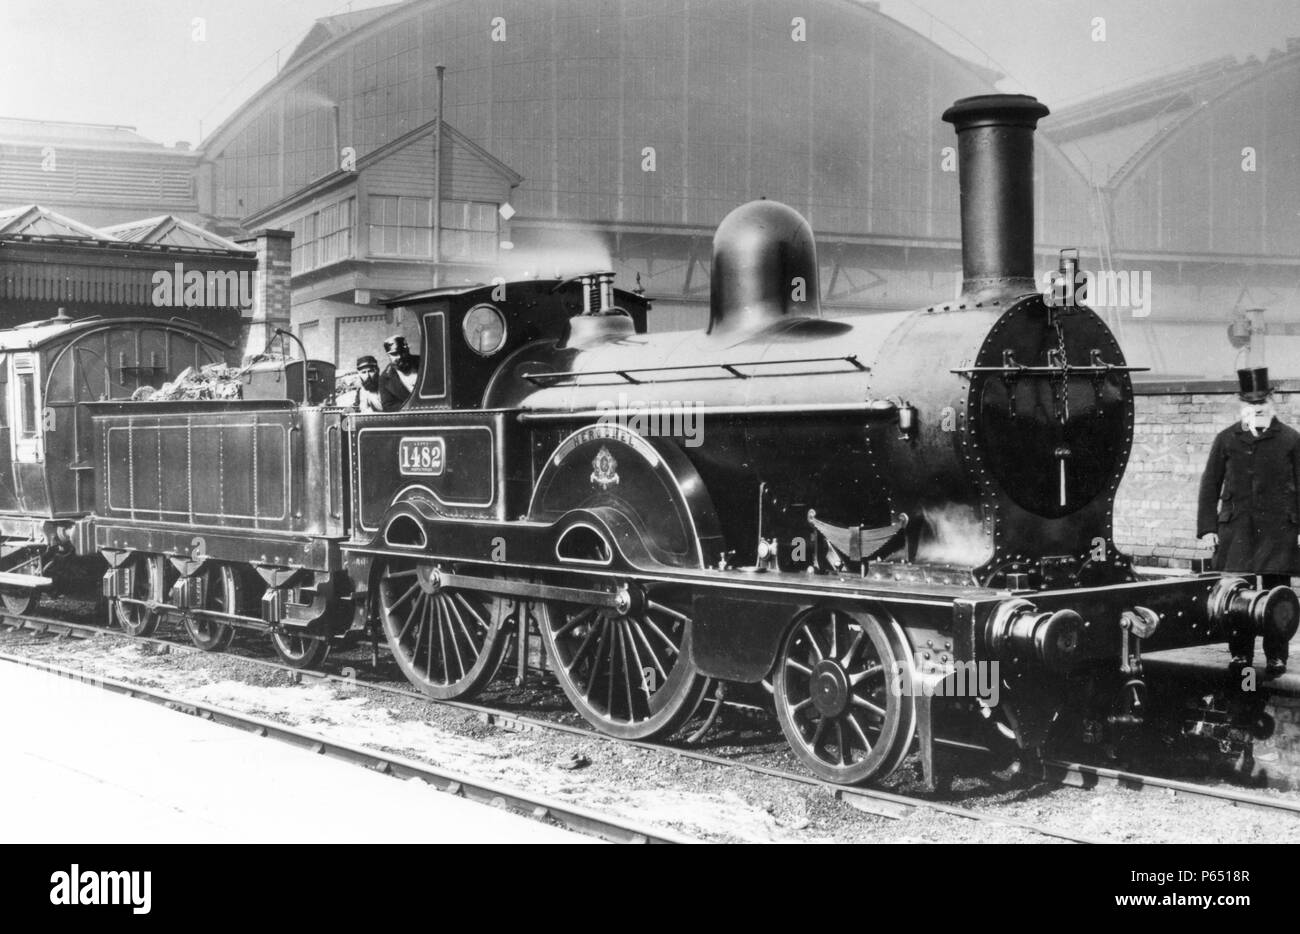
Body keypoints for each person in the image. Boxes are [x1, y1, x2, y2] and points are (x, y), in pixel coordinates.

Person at [1197, 366, 1300, 678]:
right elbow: (1209, 485)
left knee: (1277, 595)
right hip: (1236, 529)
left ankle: (1276, 657)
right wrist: (1208, 529)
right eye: (1251, 404)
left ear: (1271, 402)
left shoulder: (1291, 440)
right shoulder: (1226, 439)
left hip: (1278, 531)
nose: (1257, 409)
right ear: (1242, 406)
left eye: (1261, 403)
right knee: (1236, 595)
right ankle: (1241, 654)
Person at [379, 334, 420, 411]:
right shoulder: (384, 378)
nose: (400, 357)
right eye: (394, 354)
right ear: (388, 355)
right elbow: (388, 406)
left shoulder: (424, 362)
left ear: (407, 350)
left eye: (402, 352)